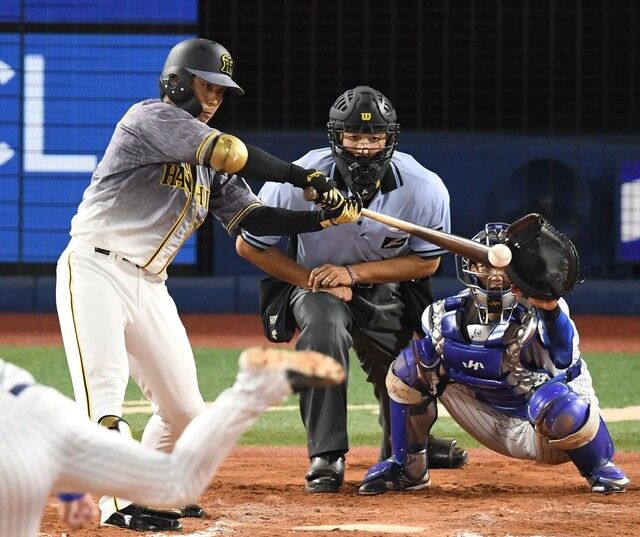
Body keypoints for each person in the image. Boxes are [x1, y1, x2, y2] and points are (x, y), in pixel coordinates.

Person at [55, 37, 361, 531]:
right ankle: (117, 503)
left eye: (221, 90)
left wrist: (321, 219)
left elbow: (251, 217)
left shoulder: (207, 166)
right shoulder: (148, 118)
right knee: (103, 397)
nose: (216, 98)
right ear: (178, 82)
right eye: (208, 86)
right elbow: (231, 151)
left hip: (150, 284)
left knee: (185, 414)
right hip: (95, 269)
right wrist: (302, 176)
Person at [236, 85, 467, 494]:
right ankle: (326, 456)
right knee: (323, 332)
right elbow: (249, 245)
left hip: (385, 287)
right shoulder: (297, 178)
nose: (363, 147)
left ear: (390, 138)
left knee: (409, 365)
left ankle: (409, 447)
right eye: (354, 136)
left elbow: (427, 261)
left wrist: (352, 274)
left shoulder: (424, 187)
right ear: (335, 137)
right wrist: (313, 280)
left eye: (374, 137)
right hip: (314, 285)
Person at [358, 217, 630, 495]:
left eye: (501, 266)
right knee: (411, 366)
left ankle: (599, 467)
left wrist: (549, 309)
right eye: (484, 264)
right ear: (471, 268)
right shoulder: (445, 314)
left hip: (551, 432)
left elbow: (562, 355)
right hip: (486, 419)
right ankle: (407, 469)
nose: (494, 274)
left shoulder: (544, 309)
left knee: (558, 404)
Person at [0, 348, 344, 536]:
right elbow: (35, 429)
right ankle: (259, 385)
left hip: (11, 448)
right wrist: (72, 486)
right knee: (175, 482)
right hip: (43, 409)